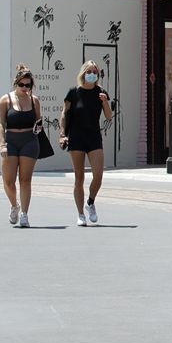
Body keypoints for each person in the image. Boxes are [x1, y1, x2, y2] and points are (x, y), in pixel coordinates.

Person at [61, 61, 113, 227]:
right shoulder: (73, 93)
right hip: (76, 137)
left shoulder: (101, 92)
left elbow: (109, 116)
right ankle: (80, 214)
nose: (92, 74)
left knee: (98, 175)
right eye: (89, 71)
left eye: (95, 71)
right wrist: (62, 134)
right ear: (83, 73)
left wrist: (105, 102)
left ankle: (90, 202)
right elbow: (64, 113)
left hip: (94, 137)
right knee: (79, 177)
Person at [0, 64, 43, 228]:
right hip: (11, 140)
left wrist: (39, 126)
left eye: (28, 85)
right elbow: (0, 123)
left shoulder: (34, 100)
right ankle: (14, 205)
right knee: (9, 181)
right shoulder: (5, 100)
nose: (24, 88)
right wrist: (2, 144)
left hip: (29, 141)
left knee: (25, 179)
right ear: (16, 83)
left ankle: (24, 214)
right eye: (21, 84)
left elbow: (39, 122)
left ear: (31, 85)